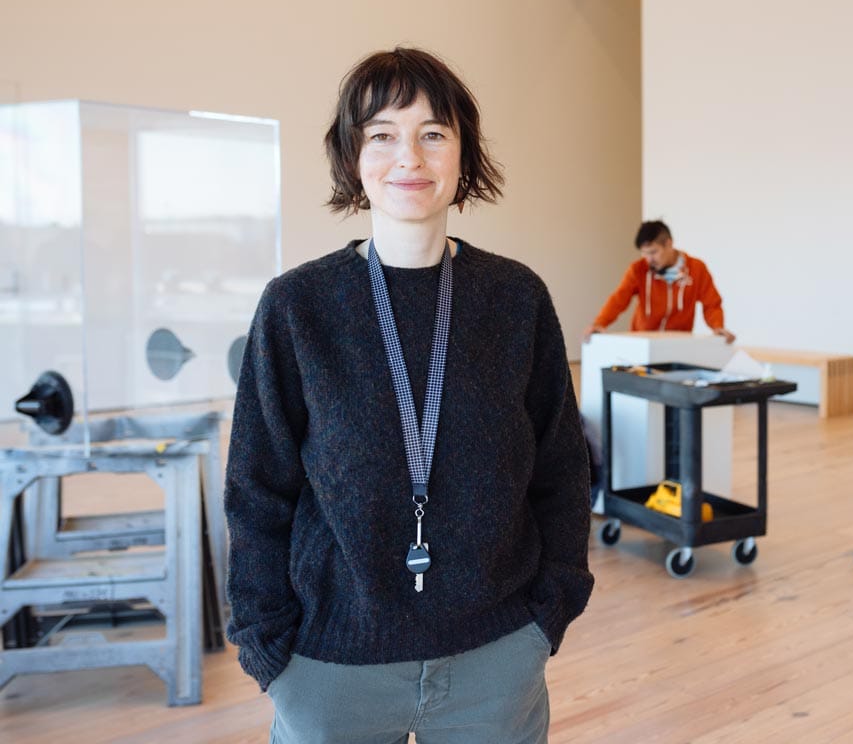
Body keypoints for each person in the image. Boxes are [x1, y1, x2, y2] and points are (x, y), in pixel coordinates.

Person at [224, 47, 594, 744]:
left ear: (463, 154)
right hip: (331, 667)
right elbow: (255, 488)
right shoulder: (297, 307)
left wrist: (552, 607)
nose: (410, 158)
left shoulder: (516, 299)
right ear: (352, 159)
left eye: (433, 133)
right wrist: (267, 647)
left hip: (496, 658)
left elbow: (562, 469)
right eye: (383, 135)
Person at [583, 220, 735, 343]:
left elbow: (712, 304)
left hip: (677, 343)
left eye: (653, 252)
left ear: (669, 244)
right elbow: (619, 299)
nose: (649, 259)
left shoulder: (696, 268)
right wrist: (599, 323)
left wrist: (717, 326)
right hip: (642, 342)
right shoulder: (638, 269)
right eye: (645, 254)